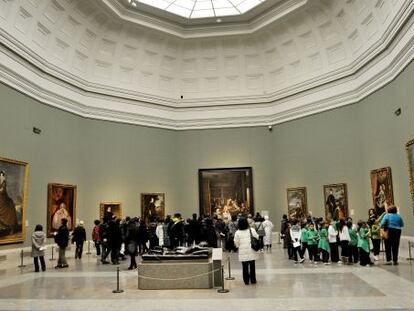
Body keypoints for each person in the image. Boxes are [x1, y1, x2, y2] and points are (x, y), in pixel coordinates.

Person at [234, 217, 259, 285]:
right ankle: (253, 280)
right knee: (252, 266)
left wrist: (239, 246)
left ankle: (246, 281)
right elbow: (257, 237)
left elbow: (236, 243)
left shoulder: (237, 232)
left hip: (243, 251)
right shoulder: (251, 230)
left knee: (244, 267)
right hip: (251, 250)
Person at [0, 170, 18, 236]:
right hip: (2, 199)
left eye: (2, 175)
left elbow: (3, 190)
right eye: (2, 175)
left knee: (11, 204)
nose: (2, 176)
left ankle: (11, 227)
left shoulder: (3, 182)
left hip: (3, 198)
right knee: (10, 203)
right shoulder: (3, 181)